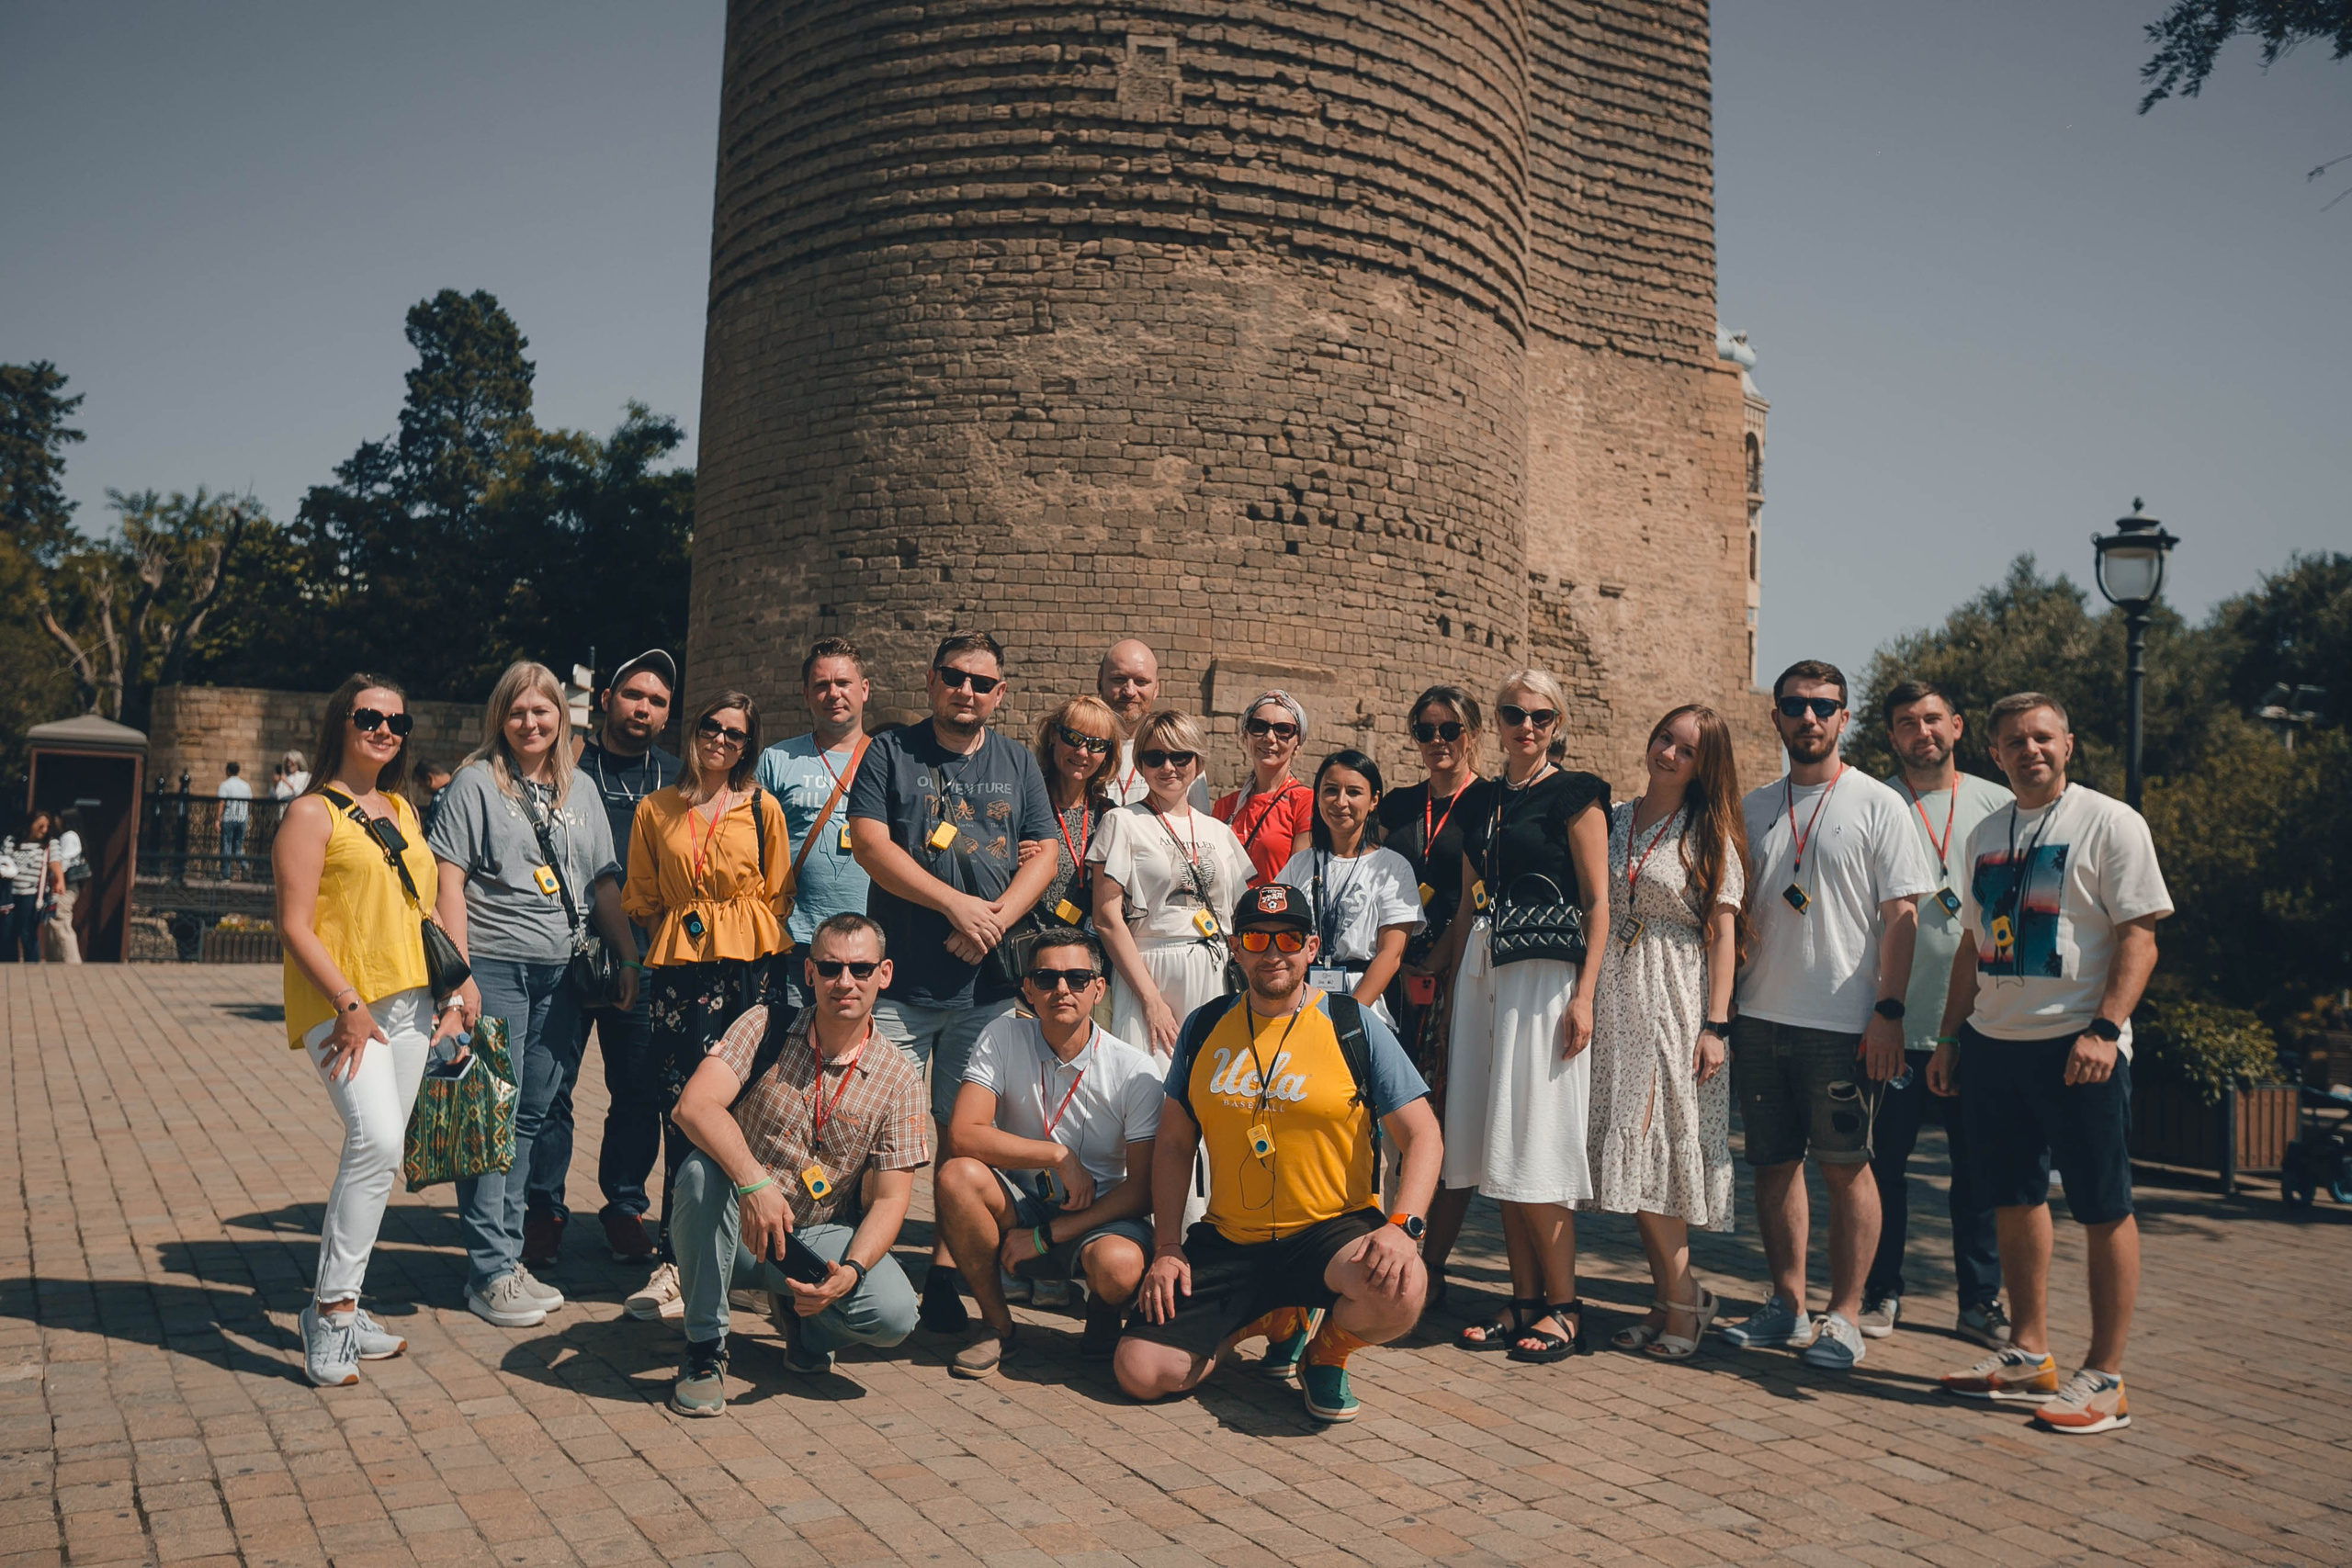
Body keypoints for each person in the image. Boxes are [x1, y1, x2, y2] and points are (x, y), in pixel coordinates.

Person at [1931, 693, 2170, 1435]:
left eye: (2042, 737)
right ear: (1995, 754)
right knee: (2014, 1196)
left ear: (2068, 743)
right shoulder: (1986, 833)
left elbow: (2140, 936)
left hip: (2079, 1048)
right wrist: (1949, 1035)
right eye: (2013, 741)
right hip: (1996, 1044)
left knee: (2102, 1204)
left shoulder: (2110, 821)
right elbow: (1972, 945)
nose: (2028, 749)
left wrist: (2106, 1028)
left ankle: (2104, 1377)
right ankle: (2028, 1350)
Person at [1115, 883, 1441, 1424]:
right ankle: (1269, 1319)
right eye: (1256, 938)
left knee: (1402, 1288)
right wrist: (1168, 1246)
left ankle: (1326, 1349)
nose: (1273, 952)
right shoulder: (1202, 1027)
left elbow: (1424, 1135)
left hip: (1329, 1229)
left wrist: (1403, 1227)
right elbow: (1174, 1144)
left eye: (1289, 938)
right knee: (1141, 1373)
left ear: (1311, 946)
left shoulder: (1352, 1024)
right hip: (1230, 1237)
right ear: (1234, 947)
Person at [1720, 660, 1934, 1371]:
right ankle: (1787, 1304)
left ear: (1845, 717)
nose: (1808, 718)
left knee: (1848, 1169)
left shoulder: (1879, 804)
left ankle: (1845, 1315)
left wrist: (1890, 1012)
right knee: (1773, 1166)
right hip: (1758, 1015)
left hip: (1844, 1023)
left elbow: (1902, 917)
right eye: (1794, 705)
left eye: (1823, 706)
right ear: (1776, 717)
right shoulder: (1751, 807)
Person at [844, 632, 1059, 1334]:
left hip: (985, 990)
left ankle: (944, 1269)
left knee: (960, 1136)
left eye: (981, 682)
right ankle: (862, 1259)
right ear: (932, 680)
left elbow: (1046, 852)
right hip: (903, 982)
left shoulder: (1018, 760)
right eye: (954, 677)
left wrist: (990, 919)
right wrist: (952, 903)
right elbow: (873, 847)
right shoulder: (889, 752)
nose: (966, 690)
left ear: (1000, 694)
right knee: (876, 1125)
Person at [430, 660, 640, 1327]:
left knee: (531, 1113)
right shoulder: (474, 783)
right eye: (518, 712)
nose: (531, 722)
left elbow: (603, 883)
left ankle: (509, 1255)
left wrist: (628, 955)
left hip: (563, 974)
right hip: (496, 966)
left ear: (562, 716)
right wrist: (458, 975)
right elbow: (449, 882)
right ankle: (488, 1268)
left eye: (542, 711)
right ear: (502, 716)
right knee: (490, 1113)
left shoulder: (579, 788)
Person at [274, 674, 469, 1385]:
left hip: (413, 1000)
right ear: (342, 721)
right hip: (346, 1007)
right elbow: (294, 922)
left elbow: (426, 906)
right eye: (370, 717)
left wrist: (458, 982)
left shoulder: (401, 808)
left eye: (398, 720)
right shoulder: (309, 812)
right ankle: (330, 1313)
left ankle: (343, 1306)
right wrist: (348, 1001)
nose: (385, 729)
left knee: (381, 1159)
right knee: (376, 1139)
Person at [664, 913, 925, 1414]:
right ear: (809, 974)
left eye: (861, 969)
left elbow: (892, 1199)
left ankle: (806, 1323)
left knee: (894, 1313)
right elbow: (693, 1106)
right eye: (829, 969)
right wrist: (753, 1182)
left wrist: (850, 1269)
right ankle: (704, 1350)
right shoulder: (765, 1024)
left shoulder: (900, 1078)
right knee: (699, 1174)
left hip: (813, 1238)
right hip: (736, 1227)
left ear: (884, 974)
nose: (844, 982)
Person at [1441, 671, 1611, 1364]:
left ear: (1558, 722)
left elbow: (1598, 901)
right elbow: (1466, 895)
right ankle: (1524, 1297)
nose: (1527, 725)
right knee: (1496, 1140)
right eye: (1513, 712)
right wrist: (1448, 977)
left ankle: (1564, 1305)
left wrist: (1585, 994)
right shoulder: (1482, 799)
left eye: (1541, 715)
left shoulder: (1576, 793)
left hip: (1546, 979)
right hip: (1485, 967)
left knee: (1536, 1135)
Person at [621, 690, 792, 1323]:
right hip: (678, 975)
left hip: (748, 969)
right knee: (682, 1113)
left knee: (749, 1109)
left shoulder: (762, 807)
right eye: (712, 727)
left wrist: (732, 929)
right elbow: (640, 894)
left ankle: (749, 1259)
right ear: (693, 731)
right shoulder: (655, 808)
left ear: (749, 745)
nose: (722, 739)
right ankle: (676, 1258)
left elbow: (778, 892)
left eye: (737, 734)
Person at [1584, 705, 1748, 1359]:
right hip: (1616, 996)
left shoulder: (1709, 833)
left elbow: (1724, 934)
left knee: (1658, 1154)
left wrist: (1716, 1024)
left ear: (1704, 764)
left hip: (1674, 998)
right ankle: (1669, 1299)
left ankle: (1684, 1305)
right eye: (1664, 739)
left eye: (1686, 749)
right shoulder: (1618, 816)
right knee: (1634, 1160)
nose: (1670, 754)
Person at [934, 930, 1161, 1377]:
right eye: (1046, 978)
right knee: (956, 1176)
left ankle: (1102, 1311)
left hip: (1102, 1213)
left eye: (1078, 978)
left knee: (1117, 1267)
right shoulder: (1002, 1034)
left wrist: (1046, 1237)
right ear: (1028, 989)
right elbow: (962, 1134)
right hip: (1025, 1204)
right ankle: (997, 1327)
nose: (1062, 989)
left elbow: (1141, 1192)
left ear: (1099, 989)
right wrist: (1056, 1156)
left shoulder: (1134, 1069)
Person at [1862, 680, 2013, 1346]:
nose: (1921, 731)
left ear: (1956, 725)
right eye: (1905, 723)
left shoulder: (2001, 802)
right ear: (1891, 736)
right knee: (1880, 1170)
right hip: (1890, 1021)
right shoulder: (1872, 801)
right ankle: (1879, 1290)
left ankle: (1980, 1301)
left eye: (1931, 719)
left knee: (1980, 1173)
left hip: (1976, 1025)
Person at [554, 649, 682, 1269]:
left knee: (637, 1092)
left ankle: (624, 1206)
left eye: (657, 701)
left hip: (647, 960)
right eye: (634, 694)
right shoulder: (566, 766)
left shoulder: (679, 779)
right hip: (565, 952)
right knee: (550, 1089)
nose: (645, 707)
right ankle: (543, 1209)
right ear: (607, 699)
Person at [1374, 685, 1488, 1306]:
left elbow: (1477, 899)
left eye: (1449, 729)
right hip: (1394, 974)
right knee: (1389, 1115)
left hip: (1457, 976)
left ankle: (1429, 1260)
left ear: (1472, 732)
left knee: (1442, 1116)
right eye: (1425, 729)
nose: (1437, 741)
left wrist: (1442, 957)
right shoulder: (1397, 804)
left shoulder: (1488, 803)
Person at [1091, 710, 1254, 1054]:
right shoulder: (1122, 822)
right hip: (1150, 969)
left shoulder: (1219, 832)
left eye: (1180, 756)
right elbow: (1106, 919)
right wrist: (1151, 999)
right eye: (1155, 757)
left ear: (1198, 762)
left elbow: (1239, 916)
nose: (1168, 767)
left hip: (1215, 971)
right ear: (1140, 763)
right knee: (1149, 1085)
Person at [755, 637, 877, 1025]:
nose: (833, 693)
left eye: (843, 683)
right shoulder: (777, 760)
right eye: (822, 685)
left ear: (864, 690)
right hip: (796, 940)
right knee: (792, 1046)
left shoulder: (890, 759)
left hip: (870, 943)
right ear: (807, 694)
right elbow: (750, 844)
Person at [1277, 750, 1423, 1027]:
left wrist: (1348, 1018)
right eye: (1331, 791)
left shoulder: (1392, 867)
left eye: (1354, 792)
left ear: (1374, 800)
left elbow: (1390, 955)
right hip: (1300, 1004)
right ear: (1318, 797)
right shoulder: (1299, 865)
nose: (1340, 802)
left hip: (1365, 1009)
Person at [1027, 694, 1119, 962]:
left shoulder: (1108, 815)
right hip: (1029, 954)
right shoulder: (1027, 802)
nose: (1082, 752)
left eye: (1096, 744)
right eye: (1073, 738)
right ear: (1054, 736)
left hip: (1088, 961)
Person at [1211, 690, 1316, 886]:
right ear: (1246, 736)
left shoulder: (1305, 803)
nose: (1269, 737)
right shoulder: (1225, 807)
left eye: (1283, 730)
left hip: (1273, 915)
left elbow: (1301, 878)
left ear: (1297, 743)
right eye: (1259, 727)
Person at [1097, 639, 1211, 810]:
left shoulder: (1182, 752)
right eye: (1119, 679)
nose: (1130, 691)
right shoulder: (1080, 748)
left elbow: (1198, 821)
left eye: (1141, 681)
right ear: (1099, 682)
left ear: (1156, 688)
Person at [4, 812, 56, 963]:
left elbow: (55, 864)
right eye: (40, 826)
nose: (44, 830)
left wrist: (59, 882)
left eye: (47, 826)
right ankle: (8, 964)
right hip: (9, 893)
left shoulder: (47, 845)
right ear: (30, 825)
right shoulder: (11, 842)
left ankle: (32, 965)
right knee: (8, 932)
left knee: (27, 932)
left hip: (31, 894)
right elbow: (5, 862)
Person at [40, 815, 83, 964]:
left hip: (63, 885)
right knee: (52, 921)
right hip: (61, 885)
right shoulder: (68, 836)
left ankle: (71, 963)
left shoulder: (68, 836)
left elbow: (62, 862)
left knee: (60, 921)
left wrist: (54, 876)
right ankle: (55, 961)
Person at [218, 761, 253, 880]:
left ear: (227, 771)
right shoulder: (246, 785)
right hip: (242, 818)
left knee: (226, 846)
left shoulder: (225, 785)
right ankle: (244, 865)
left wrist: (217, 820)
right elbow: (248, 803)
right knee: (238, 846)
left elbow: (222, 802)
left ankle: (226, 875)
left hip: (229, 818)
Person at [416, 762, 456, 837]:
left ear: (429, 779)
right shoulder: (461, 788)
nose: (424, 792)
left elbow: (431, 833)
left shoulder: (440, 797)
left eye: (421, 786)